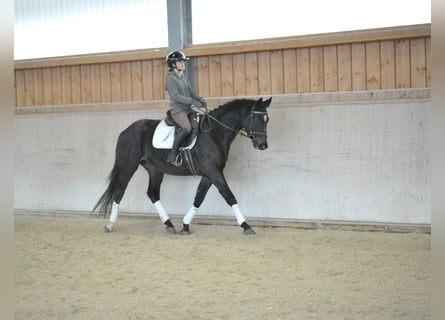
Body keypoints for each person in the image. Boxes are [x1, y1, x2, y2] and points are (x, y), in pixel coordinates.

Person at [164, 50, 207, 166]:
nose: (183, 63)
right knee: (187, 128)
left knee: (200, 123)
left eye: (183, 61)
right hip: (178, 109)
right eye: (180, 61)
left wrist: (200, 99)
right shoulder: (170, 79)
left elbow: (191, 93)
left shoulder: (183, 77)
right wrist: (192, 101)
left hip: (188, 109)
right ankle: (173, 155)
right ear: (173, 64)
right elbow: (175, 96)